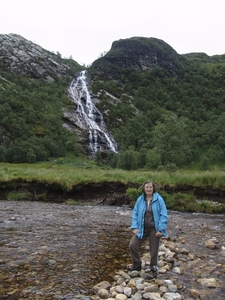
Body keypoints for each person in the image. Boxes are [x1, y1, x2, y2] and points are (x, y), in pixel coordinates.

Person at [127, 180, 168, 279]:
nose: (149, 189)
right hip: (142, 228)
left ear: (153, 188)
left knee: (154, 251)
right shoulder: (140, 200)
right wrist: (134, 227)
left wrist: (161, 230)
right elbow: (135, 214)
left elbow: (164, 215)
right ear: (144, 189)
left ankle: (153, 268)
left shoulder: (159, 199)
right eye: (147, 187)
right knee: (132, 245)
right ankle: (137, 265)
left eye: (150, 187)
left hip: (155, 229)